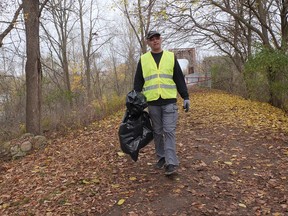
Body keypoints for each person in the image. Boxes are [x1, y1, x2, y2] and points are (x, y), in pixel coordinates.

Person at [133, 30, 190, 176]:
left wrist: (185, 97)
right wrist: (135, 100)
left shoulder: (170, 57)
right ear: (148, 42)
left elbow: (179, 78)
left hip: (169, 101)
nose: (155, 41)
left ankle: (171, 163)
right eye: (151, 39)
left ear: (161, 39)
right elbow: (138, 82)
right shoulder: (144, 59)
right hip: (152, 102)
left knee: (169, 131)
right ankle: (161, 157)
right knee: (157, 132)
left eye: (157, 38)